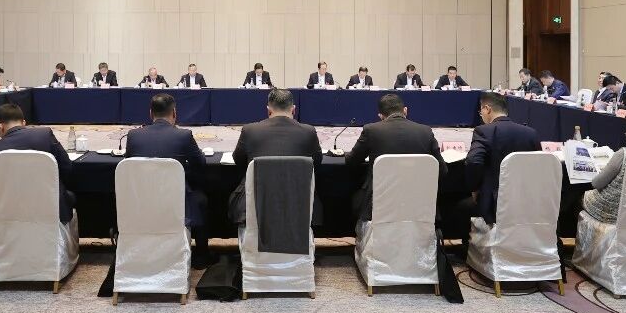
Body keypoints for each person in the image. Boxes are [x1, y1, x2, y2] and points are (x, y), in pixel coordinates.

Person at [125, 93, 211, 266]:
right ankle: (202, 255)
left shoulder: (133, 135)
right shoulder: (183, 135)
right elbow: (200, 164)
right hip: (175, 203)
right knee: (201, 199)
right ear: (174, 113)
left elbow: (128, 165)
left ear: (150, 113)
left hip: (142, 201)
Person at [229, 89, 323, 226]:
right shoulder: (309, 131)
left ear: (268, 110)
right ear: (293, 110)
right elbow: (316, 163)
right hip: (300, 206)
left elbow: (239, 161)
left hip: (253, 206)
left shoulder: (249, 130)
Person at [345, 93, 446, 221]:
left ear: (381, 116)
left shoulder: (371, 130)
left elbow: (351, 161)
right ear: (405, 110)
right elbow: (442, 170)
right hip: (419, 206)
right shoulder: (425, 131)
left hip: (379, 206)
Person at [0, 103, 74, 235]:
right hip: (52, 211)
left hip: (10, 218)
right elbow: (66, 168)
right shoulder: (45, 135)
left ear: (0, 126)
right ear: (23, 122)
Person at [460, 92, 542, 229]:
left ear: (487, 109)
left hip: (494, 203)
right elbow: (539, 165)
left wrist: (474, 188)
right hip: (526, 201)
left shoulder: (483, 131)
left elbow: (473, 161)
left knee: (458, 207)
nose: (481, 115)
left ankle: (467, 242)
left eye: (481, 112)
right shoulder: (531, 133)